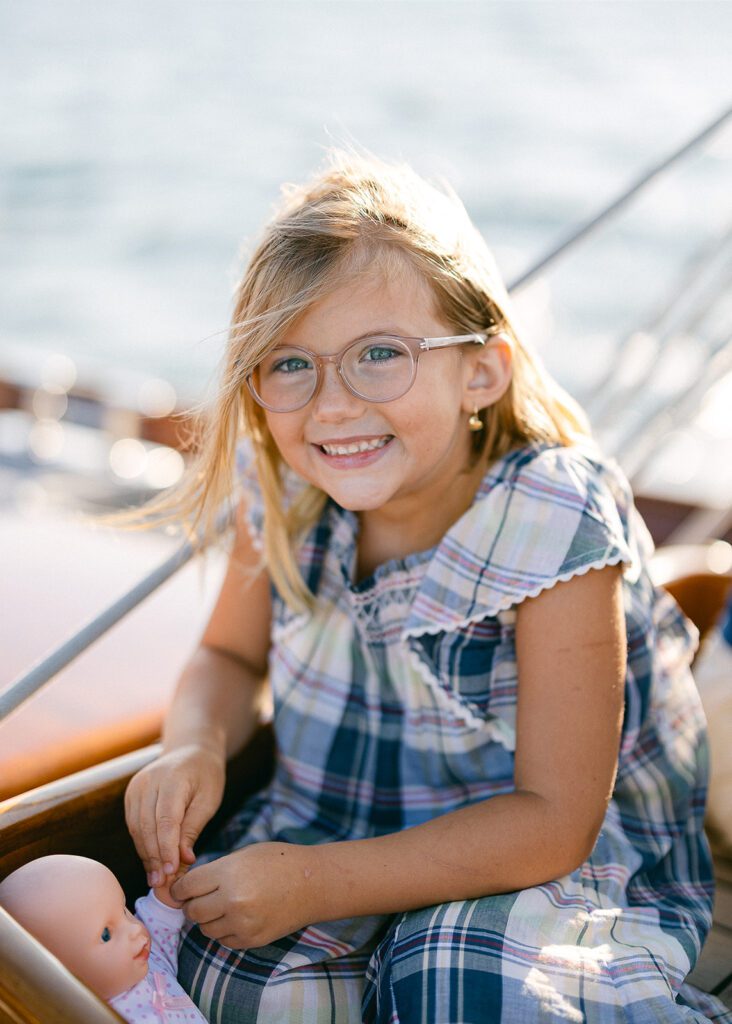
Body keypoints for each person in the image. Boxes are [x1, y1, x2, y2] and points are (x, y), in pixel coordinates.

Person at [123, 151, 731, 1023]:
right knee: (230, 972)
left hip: (537, 864)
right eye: (288, 363)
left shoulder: (553, 516)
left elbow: (554, 820)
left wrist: (316, 883)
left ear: (481, 371)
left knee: (450, 978)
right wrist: (194, 746)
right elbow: (226, 653)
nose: (329, 404)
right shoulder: (285, 488)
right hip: (336, 823)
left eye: (379, 354)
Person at [0, 854, 207, 1023]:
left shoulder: (149, 962)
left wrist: (169, 887)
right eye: (106, 934)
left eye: (124, 910)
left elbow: (160, 920)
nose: (135, 929)